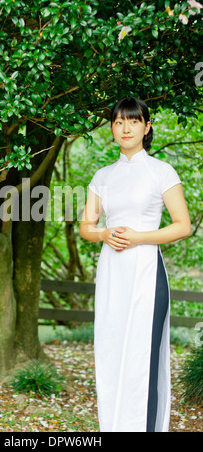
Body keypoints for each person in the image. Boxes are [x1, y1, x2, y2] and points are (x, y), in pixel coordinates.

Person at [80, 97, 191, 432]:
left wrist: (139, 237)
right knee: (112, 351)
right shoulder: (103, 176)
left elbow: (182, 225)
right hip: (112, 273)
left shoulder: (161, 171)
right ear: (112, 128)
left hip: (146, 272)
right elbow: (87, 227)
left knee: (142, 358)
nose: (125, 128)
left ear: (147, 126)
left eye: (133, 121)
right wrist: (103, 234)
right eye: (118, 122)